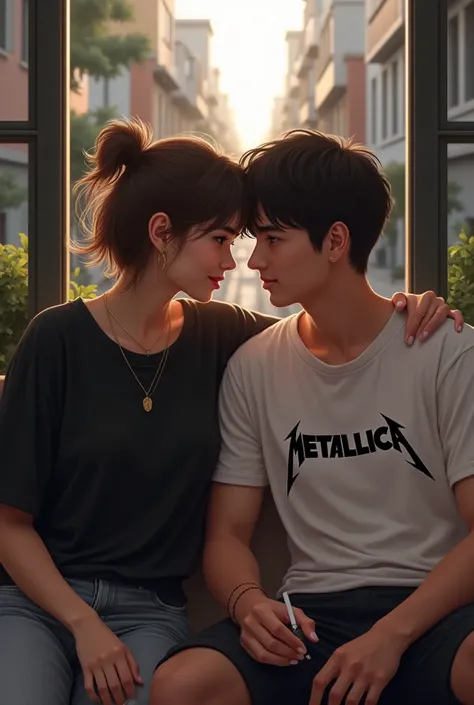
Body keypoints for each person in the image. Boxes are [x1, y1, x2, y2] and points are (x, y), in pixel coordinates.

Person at [0, 119, 460, 705]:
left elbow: (340, 332)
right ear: (162, 233)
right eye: (223, 239)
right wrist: (87, 624)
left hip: (149, 610)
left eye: (253, 239)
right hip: (38, 602)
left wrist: (412, 307)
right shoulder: (58, 339)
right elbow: (9, 521)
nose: (240, 260)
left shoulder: (223, 335)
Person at [150, 130, 474, 705]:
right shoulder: (255, 365)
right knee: (184, 685)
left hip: (436, 612)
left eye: (273, 239)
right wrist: (249, 603)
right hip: (315, 620)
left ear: (336, 241)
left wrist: (391, 637)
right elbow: (227, 533)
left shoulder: (448, 351)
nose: (255, 260)